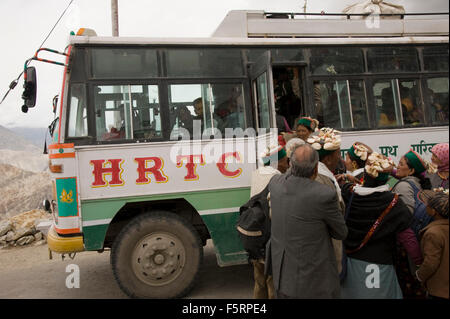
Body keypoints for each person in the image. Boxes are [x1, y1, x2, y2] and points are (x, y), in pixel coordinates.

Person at [266, 144, 347, 298]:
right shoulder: (324, 195)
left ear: (290, 164)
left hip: (282, 276)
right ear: (316, 169)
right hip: (312, 282)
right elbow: (341, 232)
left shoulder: (275, 183)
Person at [341, 152, 423, 299]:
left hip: (351, 263)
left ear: (365, 175)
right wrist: (418, 263)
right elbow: (407, 237)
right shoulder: (393, 202)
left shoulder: (349, 193)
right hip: (379, 266)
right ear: (386, 179)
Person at [392, 149, 436, 298]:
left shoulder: (404, 186)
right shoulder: (419, 185)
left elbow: (405, 217)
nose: (397, 166)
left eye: (401, 164)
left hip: (407, 247)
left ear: (411, 170)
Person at [249, 144, 288, 299]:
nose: (287, 164)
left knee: (259, 280)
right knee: (273, 278)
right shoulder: (278, 178)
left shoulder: (256, 173)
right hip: (269, 235)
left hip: (253, 234)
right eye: (285, 161)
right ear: (277, 162)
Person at [307, 128, 346, 274]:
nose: (340, 159)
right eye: (338, 154)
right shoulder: (324, 183)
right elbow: (336, 219)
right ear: (328, 159)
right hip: (324, 247)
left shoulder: (318, 175)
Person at [416, 189, 449, 300]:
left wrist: (419, 276)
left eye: (428, 206)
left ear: (434, 211)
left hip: (438, 290)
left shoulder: (433, 233)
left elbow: (431, 262)